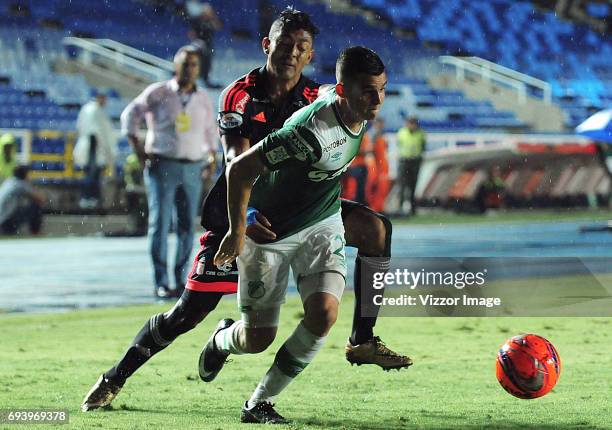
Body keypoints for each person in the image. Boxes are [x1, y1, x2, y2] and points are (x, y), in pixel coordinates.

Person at [81, 9, 409, 414]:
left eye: (302, 47)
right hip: (240, 214)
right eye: (285, 44)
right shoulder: (240, 94)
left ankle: (362, 337)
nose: (292, 52)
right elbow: (237, 163)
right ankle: (115, 377)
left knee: (375, 230)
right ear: (267, 45)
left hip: (299, 211)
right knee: (189, 313)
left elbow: (341, 97)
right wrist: (245, 221)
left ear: (310, 56)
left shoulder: (317, 97)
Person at [203, 45, 389, 424]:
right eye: (368, 90)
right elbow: (239, 170)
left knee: (323, 314)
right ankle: (222, 339)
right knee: (257, 339)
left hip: (321, 223)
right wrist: (238, 231)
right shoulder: (308, 132)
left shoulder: (353, 103)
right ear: (343, 92)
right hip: (270, 232)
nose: (377, 99)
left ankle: (258, 403)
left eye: (382, 89)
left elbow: (329, 90)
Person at [120, 45, 217, 299]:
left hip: (193, 167)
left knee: (187, 226)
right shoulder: (159, 92)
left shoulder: (203, 98)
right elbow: (130, 114)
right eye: (185, 64)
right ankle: (161, 281)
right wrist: (137, 148)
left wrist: (212, 156)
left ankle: (182, 278)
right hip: (162, 165)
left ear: (199, 69)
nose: (189, 69)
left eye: (194, 65)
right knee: (160, 224)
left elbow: (209, 131)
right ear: (176, 66)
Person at [73, 89, 117, 209]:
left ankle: (92, 199)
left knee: (94, 175)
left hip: (94, 149)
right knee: (91, 175)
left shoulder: (93, 110)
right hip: (92, 147)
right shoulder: (93, 110)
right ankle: (88, 199)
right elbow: (95, 133)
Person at [0, 165, 45, 235]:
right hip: (5, 221)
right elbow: (41, 199)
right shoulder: (20, 184)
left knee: (24, 206)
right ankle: (35, 233)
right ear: (25, 174)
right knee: (35, 207)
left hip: (2, 218)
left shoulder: (9, 181)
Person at [186, 2, 222, 87]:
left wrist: (213, 18)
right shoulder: (198, 21)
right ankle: (194, 77)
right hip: (199, 45)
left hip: (208, 45)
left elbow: (218, 26)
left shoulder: (211, 21)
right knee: (197, 61)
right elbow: (191, 34)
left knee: (207, 62)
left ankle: (205, 78)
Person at [397, 116, 426, 215]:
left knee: (413, 186)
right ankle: (400, 208)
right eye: (409, 123)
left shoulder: (421, 133)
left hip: (415, 161)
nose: (411, 125)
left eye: (413, 123)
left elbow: (423, 146)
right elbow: (399, 144)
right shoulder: (402, 132)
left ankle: (412, 209)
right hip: (404, 160)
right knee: (402, 185)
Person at [366, 117, 391, 213]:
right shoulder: (374, 134)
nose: (382, 126)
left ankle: (378, 207)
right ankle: (375, 208)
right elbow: (370, 151)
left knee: (381, 187)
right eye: (381, 124)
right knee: (375, 187)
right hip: (376, 166)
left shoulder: (380, 134)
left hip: (381, 165)